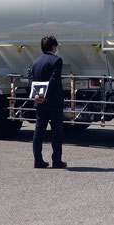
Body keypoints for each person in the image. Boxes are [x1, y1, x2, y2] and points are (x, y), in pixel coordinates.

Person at [31, 35, 67, 169]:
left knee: (39, 131)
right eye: (56, 46)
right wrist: (46, 96)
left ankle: (38, 160)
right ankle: (56, 160)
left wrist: (37, 96)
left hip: (40, 102)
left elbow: (32, 81)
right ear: (53, 47)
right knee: (56, 132)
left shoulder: (36, 62)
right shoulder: (57, 61)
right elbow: (54, 81)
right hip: (54, 102)